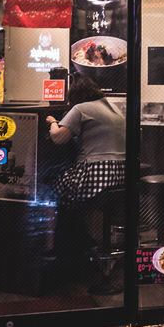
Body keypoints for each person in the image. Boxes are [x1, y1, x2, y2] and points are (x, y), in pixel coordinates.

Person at [47, 76, 126, 266]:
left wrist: (52, 122)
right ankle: (84, 241)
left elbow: (58, 138)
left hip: (96, 174)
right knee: (70, 193)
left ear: (76, 95)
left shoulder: (80, 109)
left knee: (51, 185)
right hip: (121, 174)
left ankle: (52, 246)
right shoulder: (113, 107)